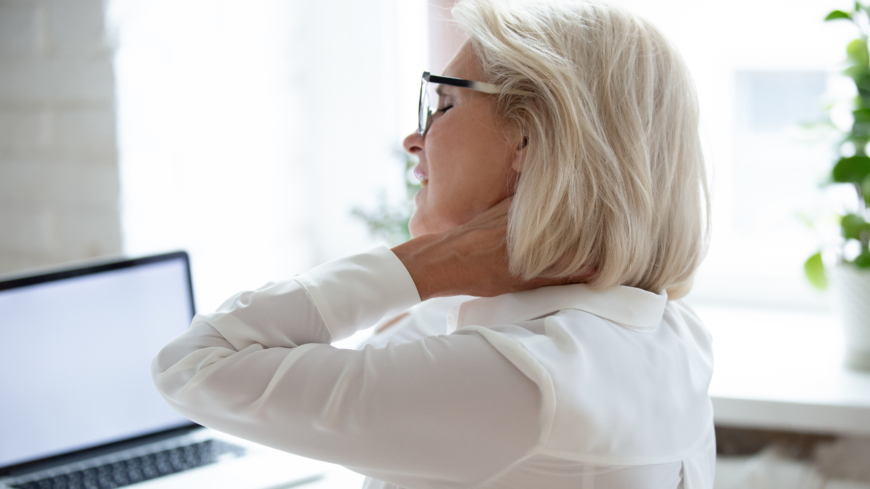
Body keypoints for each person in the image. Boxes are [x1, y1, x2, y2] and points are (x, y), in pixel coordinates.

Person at [151, 0, 713, 487]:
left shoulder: (521, 383)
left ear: (529, 138)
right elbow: (394, 356)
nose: (414, 139)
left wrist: (426, 264)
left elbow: (194, 365)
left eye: (443, 105)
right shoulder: (671, 335)